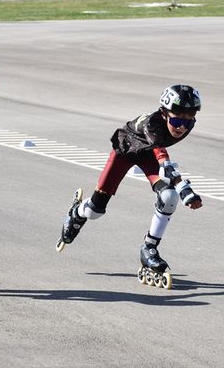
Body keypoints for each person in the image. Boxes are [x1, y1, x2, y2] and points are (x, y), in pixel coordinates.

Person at [57, 85, 204, 288]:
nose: (182, 127)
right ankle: (77, 212)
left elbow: (161, 158)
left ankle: (149, 248)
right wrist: (185, 189)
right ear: (163, 113)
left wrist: (179, 190)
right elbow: (163, 158)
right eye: (177, 120)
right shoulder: (153, 125)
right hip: (125, 151)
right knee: (95, 211)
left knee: (169, 197)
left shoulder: (184, 124)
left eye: (189, 120)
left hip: (147, 153)